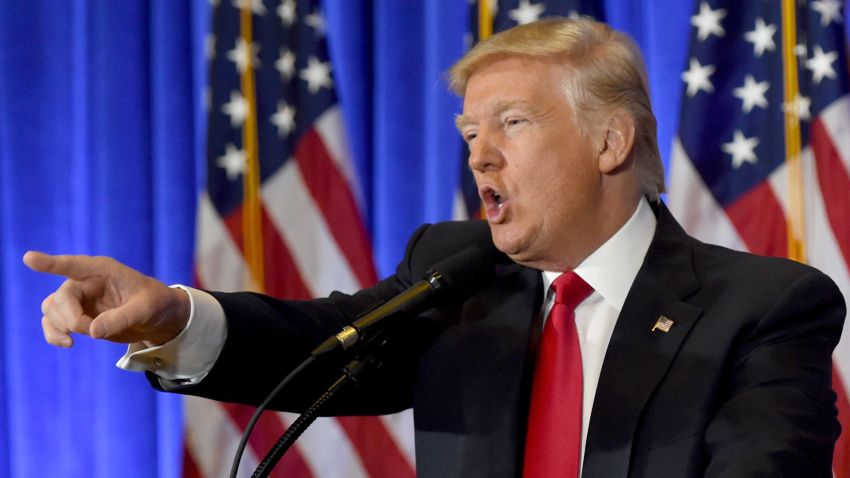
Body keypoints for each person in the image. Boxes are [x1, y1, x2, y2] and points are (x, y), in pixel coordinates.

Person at [24, 17, 845, 478]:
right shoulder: (460, 275)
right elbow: (315, 344)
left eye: (512, 125)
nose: (479, 156)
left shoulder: (763, 307)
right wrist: (172, 316)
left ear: (611, 141)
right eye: (468, 133)